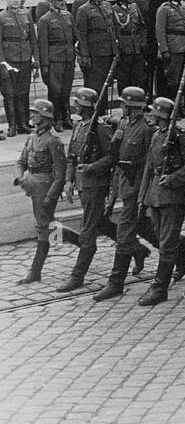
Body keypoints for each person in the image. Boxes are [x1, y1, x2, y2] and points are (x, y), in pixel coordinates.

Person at [136, 95, 185, 308]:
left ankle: (160, 287)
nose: (150, 116)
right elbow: (148, 167)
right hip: (156, 195)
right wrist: (142, 197)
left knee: (166, 242)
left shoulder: (178, 137)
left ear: (161, 116)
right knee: (165, 239)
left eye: (153, 113)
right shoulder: (158, 135)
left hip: (173, 197)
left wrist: (173, 179)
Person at [57, 87, 114, 291]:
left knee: (88, 231)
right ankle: (135, 250)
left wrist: (91, 167)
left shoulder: (99, 128)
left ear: (87, 106)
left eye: (78, 103)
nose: (74, 106)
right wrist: (69, 180)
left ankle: (77, 276)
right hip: (83, 185)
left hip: (96, 186)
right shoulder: (79, 125)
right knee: (100, 223)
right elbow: (72, 155)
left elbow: (111, 156)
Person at [13, 99, 66, 284]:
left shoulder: (53, 140)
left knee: (43, 226)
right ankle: (69, 239)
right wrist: (20, 177)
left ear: (45, 116)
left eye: (35, 113)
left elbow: (60, 174)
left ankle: (35, 271)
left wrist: (51, 197)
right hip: (32, 184)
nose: (32, 115)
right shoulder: (32, 136)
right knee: (47, 222)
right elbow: (20, 161)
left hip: (45, 186)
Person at [37, 0, 76, 131]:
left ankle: (67, 118)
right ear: (51, 1)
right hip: (54, 59)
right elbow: (43, 44)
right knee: (55, 91)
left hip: (69, 58)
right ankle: (56, 119)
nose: (62, 2)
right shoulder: (45, 20)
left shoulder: (68, 16)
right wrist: (45, 65)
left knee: (66, 90)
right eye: (58, 0)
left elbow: (75, 36)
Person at [0, 0, 37, 135]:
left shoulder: (26, 13)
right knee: (9, 93)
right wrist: (2, 63)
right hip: (9, 60)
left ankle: (23, 123)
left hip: (25, 58)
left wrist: (35, 59)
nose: (16, 0)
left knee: (23, 92)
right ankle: (12, 125)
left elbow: (32, 39)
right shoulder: (1, 16)